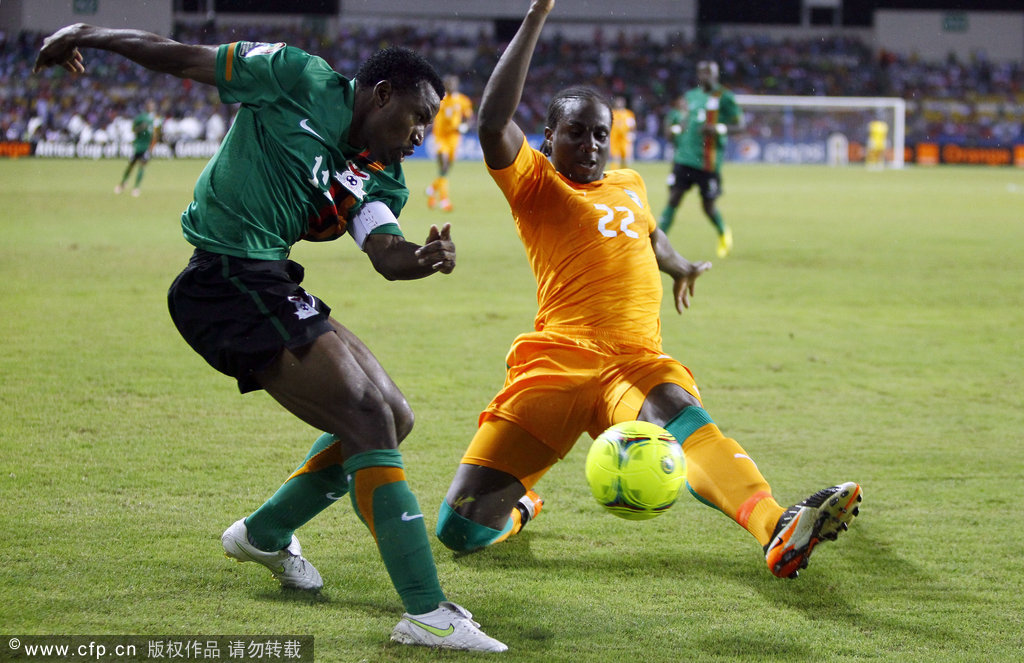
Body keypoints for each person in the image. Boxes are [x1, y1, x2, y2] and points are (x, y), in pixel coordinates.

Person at [34, 24, 506, 653]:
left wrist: (421, 257)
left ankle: (263, 534)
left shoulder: (379, 172)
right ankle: (426, 611)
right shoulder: (294, 77)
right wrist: (88, 34)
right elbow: (184, 57)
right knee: (366, 416)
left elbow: (386, 253)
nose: (421, 134)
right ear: (381, 94)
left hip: (267, 279)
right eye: (417, 117)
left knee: (394, 415)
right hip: (223, 277)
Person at [434, 0, 862, 582]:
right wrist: (536, 13)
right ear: (549, 136)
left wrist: (678, 263)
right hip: (557, 364)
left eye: (599, 134)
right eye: (575, 133)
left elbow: (648, 235)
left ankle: (776, 528)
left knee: (687, 421)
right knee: (459, 528)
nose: (589, 144)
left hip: (634, 361)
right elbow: (489, 123)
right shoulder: (535, 183)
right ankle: (521, 507)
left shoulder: (629, 183)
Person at [658, 61, 744, 259]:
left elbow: (740, 125)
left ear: (716, 74)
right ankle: (656, 242)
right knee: (673, 198)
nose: (705, 76)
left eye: (709, 73)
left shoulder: (725, 97)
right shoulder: (690, 96)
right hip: (684, 157)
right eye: (702, 72)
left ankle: (724, 232)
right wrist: (676, 131)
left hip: (708, 162)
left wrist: (719, 129)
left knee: (708, 206)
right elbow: (685, 121)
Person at [426, 74, 473, 212]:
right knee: (444, 165)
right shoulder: (439, 100)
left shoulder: (463, 101)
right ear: (445, 86)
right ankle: (445, 200)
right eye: (448, 84)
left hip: (454, 138)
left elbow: (469, 117)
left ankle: (432, 189)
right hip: (440, 137)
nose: (451, 87)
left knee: (445, 170)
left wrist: (465, 126)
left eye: (453, 84)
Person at [115, 99, 160, 197]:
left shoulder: (155, 119)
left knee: (142, 166)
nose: (152, 107)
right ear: (147, 106)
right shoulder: (141, 118)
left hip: (146, 147)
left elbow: (155, 134)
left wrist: (152, 146)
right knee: (131, 165)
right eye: (151, 105)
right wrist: (141, 128)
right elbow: (134, 130)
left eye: (153, 106)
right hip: (138, 146)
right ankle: (123, 183)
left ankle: (136, 188)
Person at [609, 95, 636, 169]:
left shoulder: (628, 113)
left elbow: (632, 125)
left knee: (626, 156)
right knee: (615, 157)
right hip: (614, 138)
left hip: (624, 138)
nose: (619, 104)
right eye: (618, 102)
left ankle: (624, 172)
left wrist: (632, 134)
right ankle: (615, 173)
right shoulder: (612, 113)